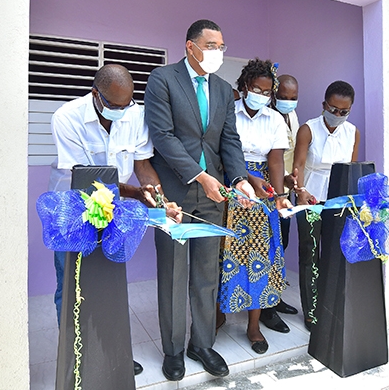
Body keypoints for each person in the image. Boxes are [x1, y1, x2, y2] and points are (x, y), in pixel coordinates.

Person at [48, 63, 181, 376]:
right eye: (114, 105)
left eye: (127, 104)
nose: (123, 111)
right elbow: (86, 178)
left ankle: (111, 350)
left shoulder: (134, 114)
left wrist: (158, 199)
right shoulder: (67, 118)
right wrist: (136, 193)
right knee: (72, 285)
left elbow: (143, 164)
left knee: (108, 282)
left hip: (114, 211)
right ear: (96, 94)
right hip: (73, 209)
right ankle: (76, 355)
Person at [144, 19, 256, 381]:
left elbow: (229, 141)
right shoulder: (163, 80)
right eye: (211, 46)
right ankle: (174, 349)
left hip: (215, 196)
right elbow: (162, 136)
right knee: (174, 273)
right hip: (176, 194)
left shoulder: (224, 90)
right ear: (190, 46)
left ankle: (202, 343)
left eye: (221, 46)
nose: (218, 53)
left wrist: (238, 179)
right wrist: (201, 176)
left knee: (207, 273)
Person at [216, 59, 292, 354]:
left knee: (259, 258)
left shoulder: (274, 120)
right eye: (257, 89)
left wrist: (279, 197)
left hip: (262, 192)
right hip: (228, 186)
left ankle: (253, 325)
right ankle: (219, 314)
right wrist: (245, 178)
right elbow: (221, 153)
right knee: (222, 256)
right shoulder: (227, 113)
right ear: (245, 86)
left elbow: (275, 161)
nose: (262, 95)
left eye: (267, 91)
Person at [290, 80, 360, 331]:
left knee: (334, 254)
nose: (338, 115)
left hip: (338, 201)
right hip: (309, 198)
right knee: (310, 254)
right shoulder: (309, 129)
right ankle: (311, 311)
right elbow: (297, 165)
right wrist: (300, 191)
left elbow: (350, 170)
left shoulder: (352, 132)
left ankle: (331, 304)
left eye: (344, 111)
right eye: (333, 109)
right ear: (324, 105)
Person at [271, 74, 300, 316]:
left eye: (293, 98)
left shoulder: (291, 116)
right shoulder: (268, 117)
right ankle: (267, 305)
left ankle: (275, 298)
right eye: (283, 97)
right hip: (267, 192)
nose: (288, 102)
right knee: (268, 247)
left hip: (286, 192)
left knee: (282, 245)